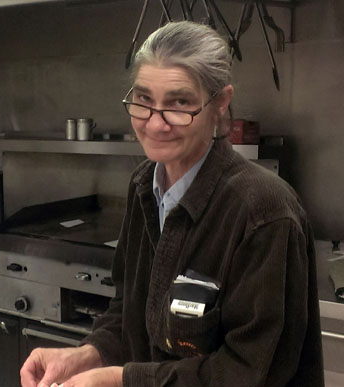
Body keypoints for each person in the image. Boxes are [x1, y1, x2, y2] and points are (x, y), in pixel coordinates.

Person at [20, 21, 323, 387]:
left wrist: (122, 380)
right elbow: (128, 313)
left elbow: (250, 371)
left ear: (220, 103)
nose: (155, 123)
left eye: (180, 103)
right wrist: (86, 353)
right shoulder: (144, 185)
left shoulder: (263, 211)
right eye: (144, 100)